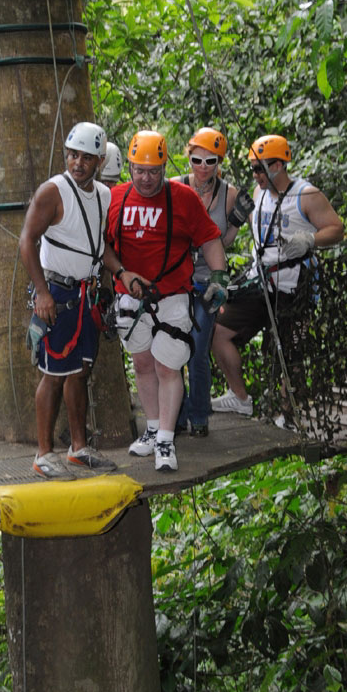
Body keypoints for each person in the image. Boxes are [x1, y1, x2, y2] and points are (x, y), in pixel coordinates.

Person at [105, 129, 227, 472]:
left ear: (164, 167)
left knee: (168, 366)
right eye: (139, 171)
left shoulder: (183, 198)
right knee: (142, 364)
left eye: (154, 171)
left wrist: (218, 277)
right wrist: (121, 275)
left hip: (172, 295)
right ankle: (153, 428)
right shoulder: (115, 199)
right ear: (130, 168)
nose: (146, 179)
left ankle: (167, 439)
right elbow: (104, 246)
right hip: (130, 296)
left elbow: (210, 239)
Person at [211, 134, 344, 422]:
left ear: (281, 164)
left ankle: (289, 415)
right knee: (219, 331)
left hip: (295, 286)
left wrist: (310, 239)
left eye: (262, 168)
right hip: (262, 281)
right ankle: (240, 397)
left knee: (289, 351)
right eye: (254, 169)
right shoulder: (259, 194)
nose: (257, 175)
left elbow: (336, 229)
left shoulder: (306, 194)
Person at [19, 121, 118, 480]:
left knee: (79, 372)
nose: (77, 163)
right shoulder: (53, 191)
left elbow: (96, 246)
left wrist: (121, 272)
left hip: (86, 293)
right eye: (72, 155)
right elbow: (27, 240)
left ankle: (78, 447)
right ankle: (44, 453)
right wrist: (42, 293)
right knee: (53, 374)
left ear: (100, 161)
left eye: (86, 158)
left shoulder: (104, 196)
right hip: (58, 294)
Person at [171, 127, 253, 436]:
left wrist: (235, 222)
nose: (204, 167)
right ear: (188, 156)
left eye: (211, 161)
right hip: (177, 281)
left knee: (197, 348)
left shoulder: (228, 194)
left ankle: (200, 416)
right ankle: (176, 417)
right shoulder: (175, 188)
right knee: (173, 348)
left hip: (208, 281)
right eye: (197, 160)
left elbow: (225, 243)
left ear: (220, 162)